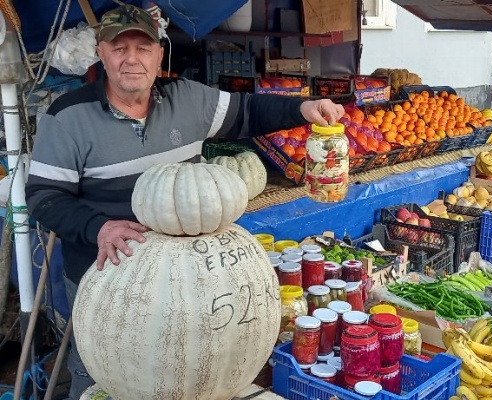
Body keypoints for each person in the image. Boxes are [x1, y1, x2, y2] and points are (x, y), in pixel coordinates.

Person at [24, 4, 344, 399]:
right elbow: (43, 197)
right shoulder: (67, 117)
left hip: (189, 283)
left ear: (159, 54)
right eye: (119, 48)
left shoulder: (189, 100)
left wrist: (302, 108)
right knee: (106, 378)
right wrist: (99, 227)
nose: (131, 59)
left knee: (185, 373)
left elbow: (249, 112)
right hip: (109, 277)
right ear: (101, 52)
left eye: (143, 48)